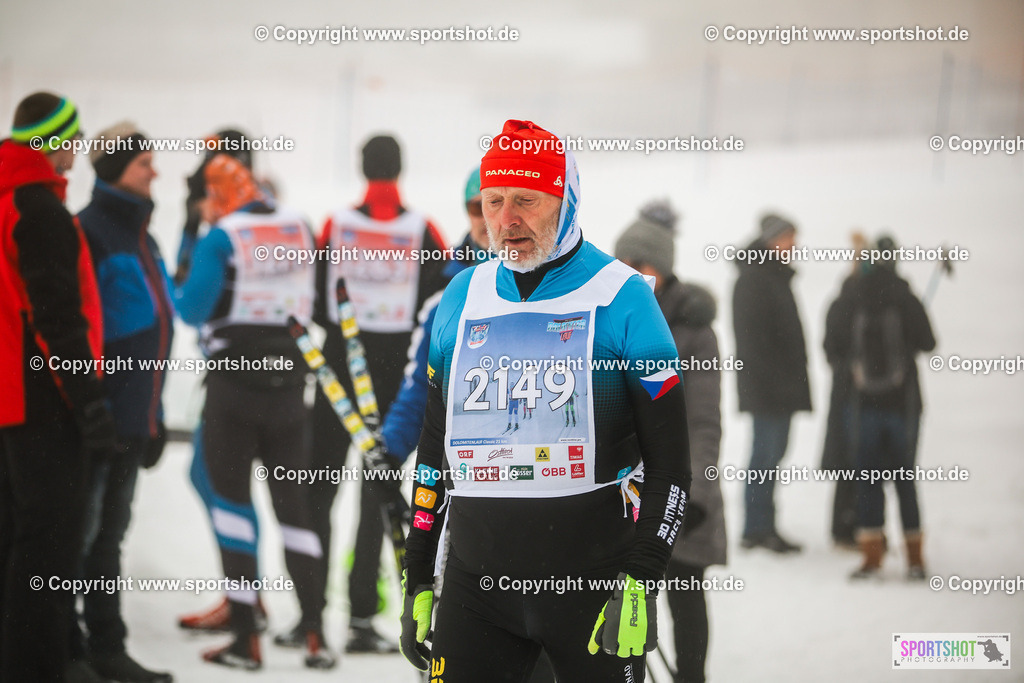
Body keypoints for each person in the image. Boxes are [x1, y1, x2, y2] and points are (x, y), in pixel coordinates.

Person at [399, 120, 691, 683]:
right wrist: (417, 575)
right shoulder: (461, 297)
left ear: (567, 201)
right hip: (475, 591)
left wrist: (643, 579)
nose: (506, 220)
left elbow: (671, 465)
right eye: (493, 201)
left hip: (592, 587)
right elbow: (434, 452)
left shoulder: (622, 298)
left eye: (526, 201)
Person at [174, 154, 334, 670]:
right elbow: (316, 298)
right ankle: (315, 632)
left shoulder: (221, 236)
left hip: (234, 389)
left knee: (233, 507)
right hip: (289, 386)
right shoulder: (298, 223)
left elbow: (190, 309)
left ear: (217, 196)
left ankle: (246, 638)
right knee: (296, 512)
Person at [297, 134, 448, 654]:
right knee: (375, 494)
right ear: (400, 167)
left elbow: (315, 301)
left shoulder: (338, 225)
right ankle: (362, 616)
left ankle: (309, 616)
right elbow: (439, 302)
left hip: (340, 368)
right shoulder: (423, 229)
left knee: (319, 489)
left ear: (362, 166)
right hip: (392, 375)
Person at [0, 92, 116, 683]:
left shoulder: (9, 200)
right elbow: (56, 318)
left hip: (9, 404)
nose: (75, 149)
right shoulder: (39, 210)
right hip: (38, 403)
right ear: (52, 142)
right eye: (69, 138)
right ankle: (36, 669)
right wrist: (91, 403)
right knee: (47, 553)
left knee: (14, 543)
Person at [72, 122, 174, 683]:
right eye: (143, 163)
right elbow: (79, 333)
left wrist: (152, 414)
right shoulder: (89, 231)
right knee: (80, 537)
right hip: (98, 419)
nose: (153, 170)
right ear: (114, 171)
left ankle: (108, 647)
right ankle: (70, 649)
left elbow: (154, 333)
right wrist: (94, 410)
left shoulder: (142, 235)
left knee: (111, 535)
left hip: (133, 418)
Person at [615, 199, 725, 683]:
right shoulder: (613, 316)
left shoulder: (694, 331)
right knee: (629, 600)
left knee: (685, 592)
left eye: (643, 265)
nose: (634, 274)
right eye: (624, 264)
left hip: (683, 484)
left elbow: (703, 419)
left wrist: (696, 491)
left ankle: (692, 677)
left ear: (663, 267)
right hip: (626, 490)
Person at [823, 235, 936, 580]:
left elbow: (833, 345)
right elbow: (928, 342)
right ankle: (915, 560)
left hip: (863, 405)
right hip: (904, 405)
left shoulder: (853, 296)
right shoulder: (905, 295)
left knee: (867, 479)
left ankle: (872, 558)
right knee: (904, 480)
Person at [731, 213, 810, 554]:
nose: (793, 245)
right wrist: (771, 385)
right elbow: (752, 342)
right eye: (788, 238)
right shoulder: (754, 279)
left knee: (773, 454)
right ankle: (757, 528)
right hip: (768, 389)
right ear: (770, 239)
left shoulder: (775, 276)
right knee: (764, 456)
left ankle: (763, 525)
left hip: (781, 387)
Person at [820, 231, 870, 549]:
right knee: (855, 461)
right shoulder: (850, 303)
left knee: (851, 463)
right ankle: (849, 528)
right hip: (853, 394)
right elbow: (832, 349)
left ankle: (850, 527)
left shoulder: (842, 301)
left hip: (849, 392)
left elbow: (829, 348)